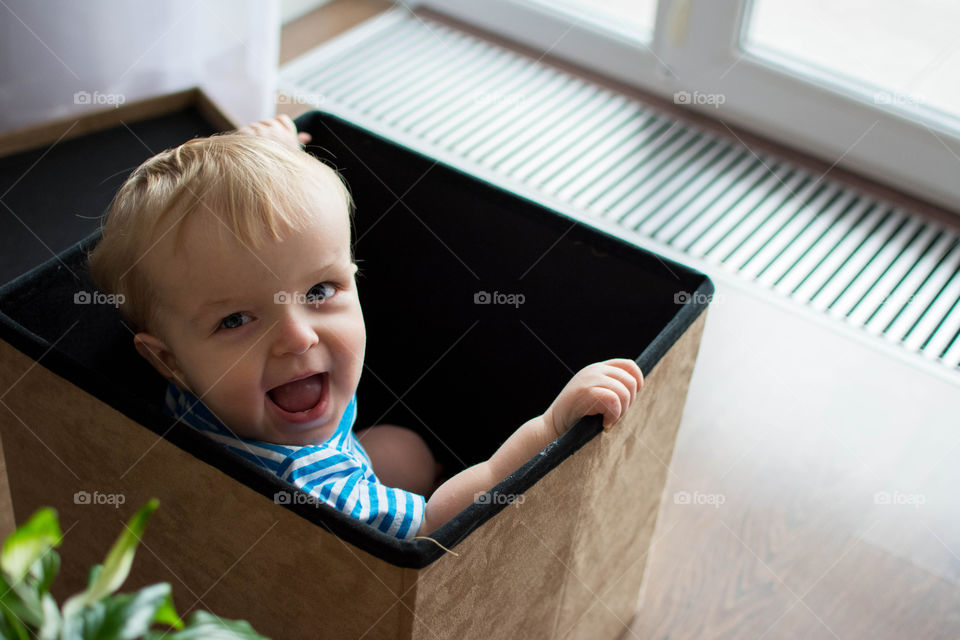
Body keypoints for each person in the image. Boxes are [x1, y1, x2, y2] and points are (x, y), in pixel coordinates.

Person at [89, 115, 644, 540]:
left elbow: (235, 243)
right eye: (236, 320)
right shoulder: (317, 493)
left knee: (405, 450)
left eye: (319, 292)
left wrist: (274, 160)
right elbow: (433, 526)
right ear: (167, 361)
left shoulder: (197, 366)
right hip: (338, 493)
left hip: (340, 449)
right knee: (420, 471)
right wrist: (547, 431)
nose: (298, 338)